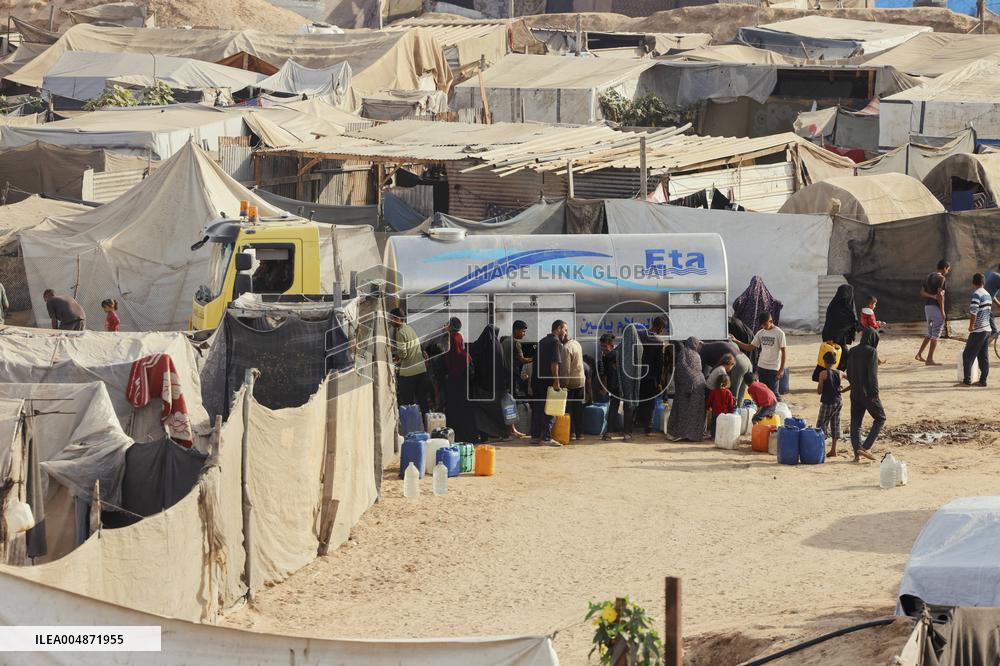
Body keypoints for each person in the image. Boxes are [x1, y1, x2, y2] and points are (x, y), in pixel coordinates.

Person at [846, 327, 885, 462]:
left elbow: (849, 372)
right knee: (880, 418)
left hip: (854, 391)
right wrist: (874, 394)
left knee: (855, 423)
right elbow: (872, 376)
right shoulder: (871, 352)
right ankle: (865, 447)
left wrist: (853, 385)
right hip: (868, 392)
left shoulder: (852, 351)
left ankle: (857, 454)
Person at [469, 324, 512, 440]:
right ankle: (500, 434)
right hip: (499, 387)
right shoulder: (498, 347)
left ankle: (485, 435)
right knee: (497, 412)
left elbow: (473, 358)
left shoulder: (481, 347)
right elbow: (504, 367)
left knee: (480, 411)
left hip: (483, 386)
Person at [733, 312, 786, 398]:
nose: (763, 327)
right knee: (763, 392)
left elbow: (784, 352)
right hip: (761, 367)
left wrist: (781, 369)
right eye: (762, 325)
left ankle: (778, 406)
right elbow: (750, 347)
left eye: (765, 324)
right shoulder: (760, 333)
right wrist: (736, 341)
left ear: (771, 321)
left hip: (773, 368)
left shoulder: (780, 333)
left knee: (774, 394)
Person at [530, 320, 566, 446]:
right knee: (551, 409)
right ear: (559, 328)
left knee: (538, 409)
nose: (565, 333)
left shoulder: (542, 341)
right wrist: (556, 381)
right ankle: (546, 438)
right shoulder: (556, 342)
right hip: (548, 382)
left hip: (536, 381)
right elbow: (554, 364)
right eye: (565, 330)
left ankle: (535, 436)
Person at [665, 337, 708, 442]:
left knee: (683, 409)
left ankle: (681, 433)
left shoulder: (684, 352)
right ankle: (692, 435)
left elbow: (681, 367)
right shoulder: (697, 355)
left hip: (687, 386)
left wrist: (688, 382)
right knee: (694, 411)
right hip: (699, 385)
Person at [388, 308, 430, 415]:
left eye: (391, 319)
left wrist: (395, 357)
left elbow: (403, 354)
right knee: (423, 401)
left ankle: (410, 424)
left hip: (409, 374)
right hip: (421, 370)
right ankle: (426, 422)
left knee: (407, 403)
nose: (390, 321)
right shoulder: (410, 329)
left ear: (398, 319)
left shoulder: (400, 333)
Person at [443, 317, 477, 443]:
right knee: (465, 411)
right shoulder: (465, 356)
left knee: (454, 410)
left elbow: (448, 362)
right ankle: (469, 436)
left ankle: (456, 436)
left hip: (455, 384)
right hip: (465, 388)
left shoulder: (451, 340)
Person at [634, 317, 667, 436]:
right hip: (651, 376)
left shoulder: (639, 335)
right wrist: (659, 381)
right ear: (660, 328)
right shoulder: (659, 341)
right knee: (650, 403)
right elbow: (659, 364)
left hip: (637, 375)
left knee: (638, 400)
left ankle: (636, 424)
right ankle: (648, 429)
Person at [916, 260, 950, 365]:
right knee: (935, 334)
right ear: (945, 268)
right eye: (948, 269)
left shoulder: (928, 276)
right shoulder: (942, 278)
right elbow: (940, 295)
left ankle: (919, 354)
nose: (948, 271)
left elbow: (922, 292)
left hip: (928, 308)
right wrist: (942, 311)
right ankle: (929, 359)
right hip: (936, 308)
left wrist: (931, 296)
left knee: (930, 332)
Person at [816, 350, 849, 458]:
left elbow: (819, 391)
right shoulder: (840, 373)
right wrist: (844, 390)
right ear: (835, 362)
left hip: (827, 402)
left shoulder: (823, 374)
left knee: (821, 424)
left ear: (824, 361)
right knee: (835, 424)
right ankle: (833, 450)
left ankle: (821, 449)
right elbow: (854, 381)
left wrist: (820, 385)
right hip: (838, 401)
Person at [961, 273, 992, 387]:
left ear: (973, 283)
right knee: (983, 356)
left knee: (967, 355)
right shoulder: (988, 294)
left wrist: (971, 326)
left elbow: (974, 312)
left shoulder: (976, 294)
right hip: (987, 329)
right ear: (983, 282)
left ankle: (967, 380)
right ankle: (983, 380)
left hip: (978, 330)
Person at [821, 284, 859, 370]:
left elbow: (852, 320)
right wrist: (829, 338)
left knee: (841, 359)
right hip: (833, 338)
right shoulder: (836, 307)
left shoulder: (841, 306)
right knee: (842, 358)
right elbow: (831, 323)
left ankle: (837, 375)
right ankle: (836, 376)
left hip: (840, 337)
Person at [561, 330, 586, 441]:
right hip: (580, 381)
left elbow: (566, 369)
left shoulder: (566, 348)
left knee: (568, 409)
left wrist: (563, 384)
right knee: (578, 409)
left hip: (570, 384)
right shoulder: (577, 343)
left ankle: (571, 433)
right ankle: (580, 434)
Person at [501, 320, 531, 398]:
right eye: (523, 331)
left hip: (504, 374)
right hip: (513, 375)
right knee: (513, 397)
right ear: (516, 330)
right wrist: (535, 359)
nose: (524, 334)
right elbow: (522, 360)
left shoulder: (505, 341)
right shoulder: (516, 343)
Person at [706, 374, 736, 439]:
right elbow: (730, 405)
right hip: (724, 414)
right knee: (723, 425)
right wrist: (731, 413)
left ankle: (713, 436)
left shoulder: (714, 392)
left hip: (715, 412)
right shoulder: (729, 393)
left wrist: (708, 407)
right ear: (728, 383)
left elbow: (709, 401)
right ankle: (721, 436)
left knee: (714, 424)